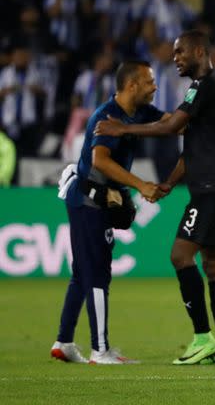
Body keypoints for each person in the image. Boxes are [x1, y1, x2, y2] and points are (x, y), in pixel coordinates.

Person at [94, 30, 215, 365]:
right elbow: (193, 145)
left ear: (200, 51)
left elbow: (171, 126)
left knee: (180, 256)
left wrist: (123, 128)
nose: (175, 58)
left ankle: (203, 338)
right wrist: (170, 183)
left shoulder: (203, 86)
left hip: (211, 187)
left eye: (181, 52)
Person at [52, 60, 163, 364]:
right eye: (149, 82)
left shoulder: (139, 112)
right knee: (97, 273)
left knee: (82, 273)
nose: (155, 87)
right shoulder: (106, 117)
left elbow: (172, 121)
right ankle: (100, 350)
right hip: (89, 200)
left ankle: (63, 342)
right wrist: (140, 184)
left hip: (98, 198)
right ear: (131, 85)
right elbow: (99, 160)